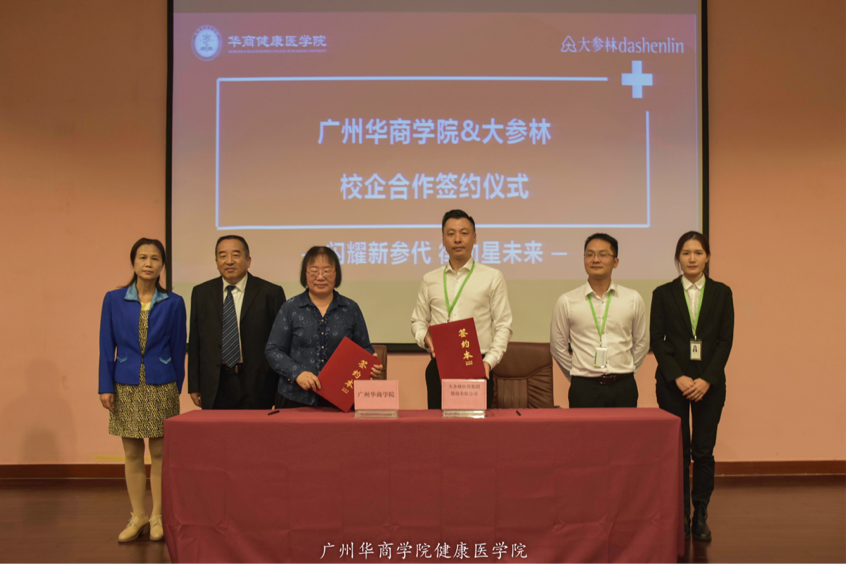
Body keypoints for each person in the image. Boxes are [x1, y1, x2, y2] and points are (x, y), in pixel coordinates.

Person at [98, 238, 186, 542]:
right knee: (132, 453)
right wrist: (105, 385)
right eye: (142, 257)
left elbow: (178, 348)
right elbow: (105, 346)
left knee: (160, 453)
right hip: (125, 383)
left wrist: (176, 387)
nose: (148, 263)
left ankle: (158, 516)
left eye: (155, 258)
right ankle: (138, 517)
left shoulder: (174, 302)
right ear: (133, 262)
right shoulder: (113, 299)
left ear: (162, 265)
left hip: (162, 384)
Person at [651, 231, 733, 541]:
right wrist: (677, 376)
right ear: (678, 258)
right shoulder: (663, 293)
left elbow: (725, 341)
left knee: (703, 451)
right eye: (686, 253)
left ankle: (700, 514)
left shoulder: (722, 293)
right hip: (673, 383)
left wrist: (707, 379)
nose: (692, 258)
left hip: (709, 384)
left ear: (707, 257)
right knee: (678, 452)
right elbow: (657, 339)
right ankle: (680, 516)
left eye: (698, 252)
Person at [411, 210, 513, 409]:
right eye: (451, 234)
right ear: (443, 239)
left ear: (475, 238)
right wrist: (425, 338)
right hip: (439, 366)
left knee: (475, 428)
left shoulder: (492, 277)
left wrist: (488, 362)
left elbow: (503, 326)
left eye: (464, 233)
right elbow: (418, 321)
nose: (457, 239)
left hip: (477, 366)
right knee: (438, 426)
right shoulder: (430, 279)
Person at [265, 246, 382, 407]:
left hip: (340, 398)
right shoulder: (290, 308)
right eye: (314, 271)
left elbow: (365, 348)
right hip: (295, 397)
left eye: (327, 271)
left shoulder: (350, 308)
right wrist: (297, 373)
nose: (320, 277)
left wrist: (371, 363)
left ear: (336, 274)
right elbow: (273, 350)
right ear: (305, 274)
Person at [187, 235, 286, 410]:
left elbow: (281, 344)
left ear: (248, 260)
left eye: (235, 255)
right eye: (223, 256)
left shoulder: (270, 293)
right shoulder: (201, 293)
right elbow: (195, 343)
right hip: (216, 384)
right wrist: (194, 385)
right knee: (217, 429)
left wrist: (281, 387)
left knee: (255, 428)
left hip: (257, 384)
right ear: (216, 262)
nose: (229, 261)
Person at [550, 233, 648, 408]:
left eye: (603, 254)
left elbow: (642, 342)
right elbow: (558, 347)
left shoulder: (633, 299)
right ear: (584, 259)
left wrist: (626, 371)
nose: (595, 259)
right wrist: (577, 374)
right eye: (590, 254)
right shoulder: (567, 301)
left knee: (625, 428)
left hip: (623, 387)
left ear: (615, 262)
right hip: (584, 388)